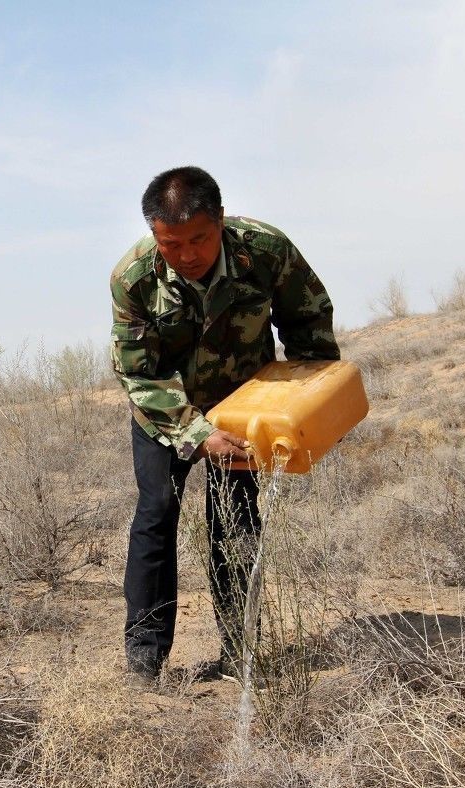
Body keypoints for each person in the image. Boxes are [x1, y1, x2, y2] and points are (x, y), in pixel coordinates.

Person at [109, 166, 340, 684]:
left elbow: (309, 325)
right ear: (154, 235)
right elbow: (138, 373)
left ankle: (241, 652)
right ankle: (144, 662)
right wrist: (195, 434)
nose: (187, 254)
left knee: (233, 516)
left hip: (241, 407)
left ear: (221, 221)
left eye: (199, 239)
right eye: (171, 244)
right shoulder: (134, 278)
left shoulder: (264, 250)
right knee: (157, 512)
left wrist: (308, 406)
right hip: (165, 412)